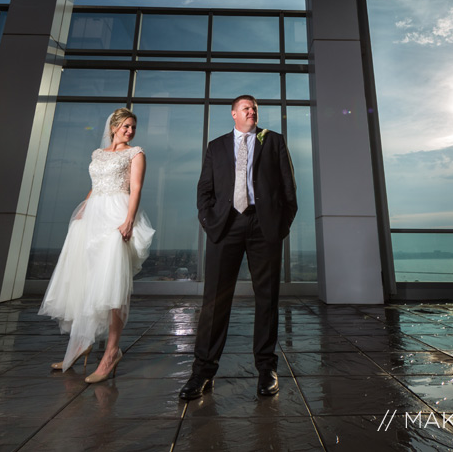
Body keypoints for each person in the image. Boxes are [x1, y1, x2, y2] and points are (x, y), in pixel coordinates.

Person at [180, 95, 297, 400]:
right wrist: (210, 221)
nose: (251, 111)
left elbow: (288, 189)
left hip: (264, 227)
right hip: (225, 226)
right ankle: (202, 372)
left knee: (267, 299)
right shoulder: (216, 147)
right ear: (233, 114)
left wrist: (279, 226)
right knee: (215, 302)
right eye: (246, 107)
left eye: (254, 108)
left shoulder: (273, 141)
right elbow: (204, 189)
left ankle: (267, 370)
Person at [38, 107, 155, 383]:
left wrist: (128, 221)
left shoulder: (136, 153)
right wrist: (83, 210)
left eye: (133, 127)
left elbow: (135, 188)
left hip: (117, 215)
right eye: (126, 126)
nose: (130, 131)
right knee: (87, 280)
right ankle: (82, 342)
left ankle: (112, 351)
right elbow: (96, 184)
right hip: (92, 216)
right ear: (113, 127)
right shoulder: (98, 154)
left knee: (113, 283)